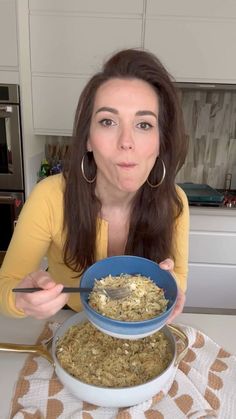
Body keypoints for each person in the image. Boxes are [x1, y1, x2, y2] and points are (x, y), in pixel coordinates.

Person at [0, 48, 189, 321]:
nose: (126, 141)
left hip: (140, 325)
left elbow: (180, 276)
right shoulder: (50, 197)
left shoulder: (175, 203)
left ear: (161, 142)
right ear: (88, 138)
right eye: (108, 121)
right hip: (70, 321)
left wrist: (172, 286)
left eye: (144, 125)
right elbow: (7, 282)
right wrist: (21, 298)